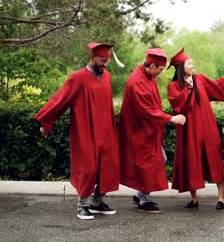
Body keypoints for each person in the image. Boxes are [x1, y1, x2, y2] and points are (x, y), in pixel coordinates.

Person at [35, 42, 119, 220]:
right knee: (88, 168)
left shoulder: (107, 77)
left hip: (106, 131)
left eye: (107, 61)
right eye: (102, 60)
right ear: (93, 57)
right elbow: (60, 100)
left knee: (110, 166)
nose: (105, 64)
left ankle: (97, 202)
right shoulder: (77, 78)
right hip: (86, 131)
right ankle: (83, 206)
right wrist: (46, 122)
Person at [167, 47, 224, 210]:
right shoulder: (173, 87)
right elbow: (179, 106)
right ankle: (194, 199)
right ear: (181, 67)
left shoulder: (200, 79)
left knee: (214, 159)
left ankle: (221, 198)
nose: (192, 65)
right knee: (191, 161)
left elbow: (217, 86)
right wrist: (188, 88)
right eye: (188, 63)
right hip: (189, 131)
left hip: (206, 126)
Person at [119, 48, 186, 214]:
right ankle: (143, 199)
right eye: (161, 69)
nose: (161, 73)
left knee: (157, 160)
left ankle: (142, 194)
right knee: (151, 162)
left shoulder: (146, 75)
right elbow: (146, 110)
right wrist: (171, 118)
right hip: (138, 131)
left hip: (147, 130)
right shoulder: (137, 82)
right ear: (153, 65)